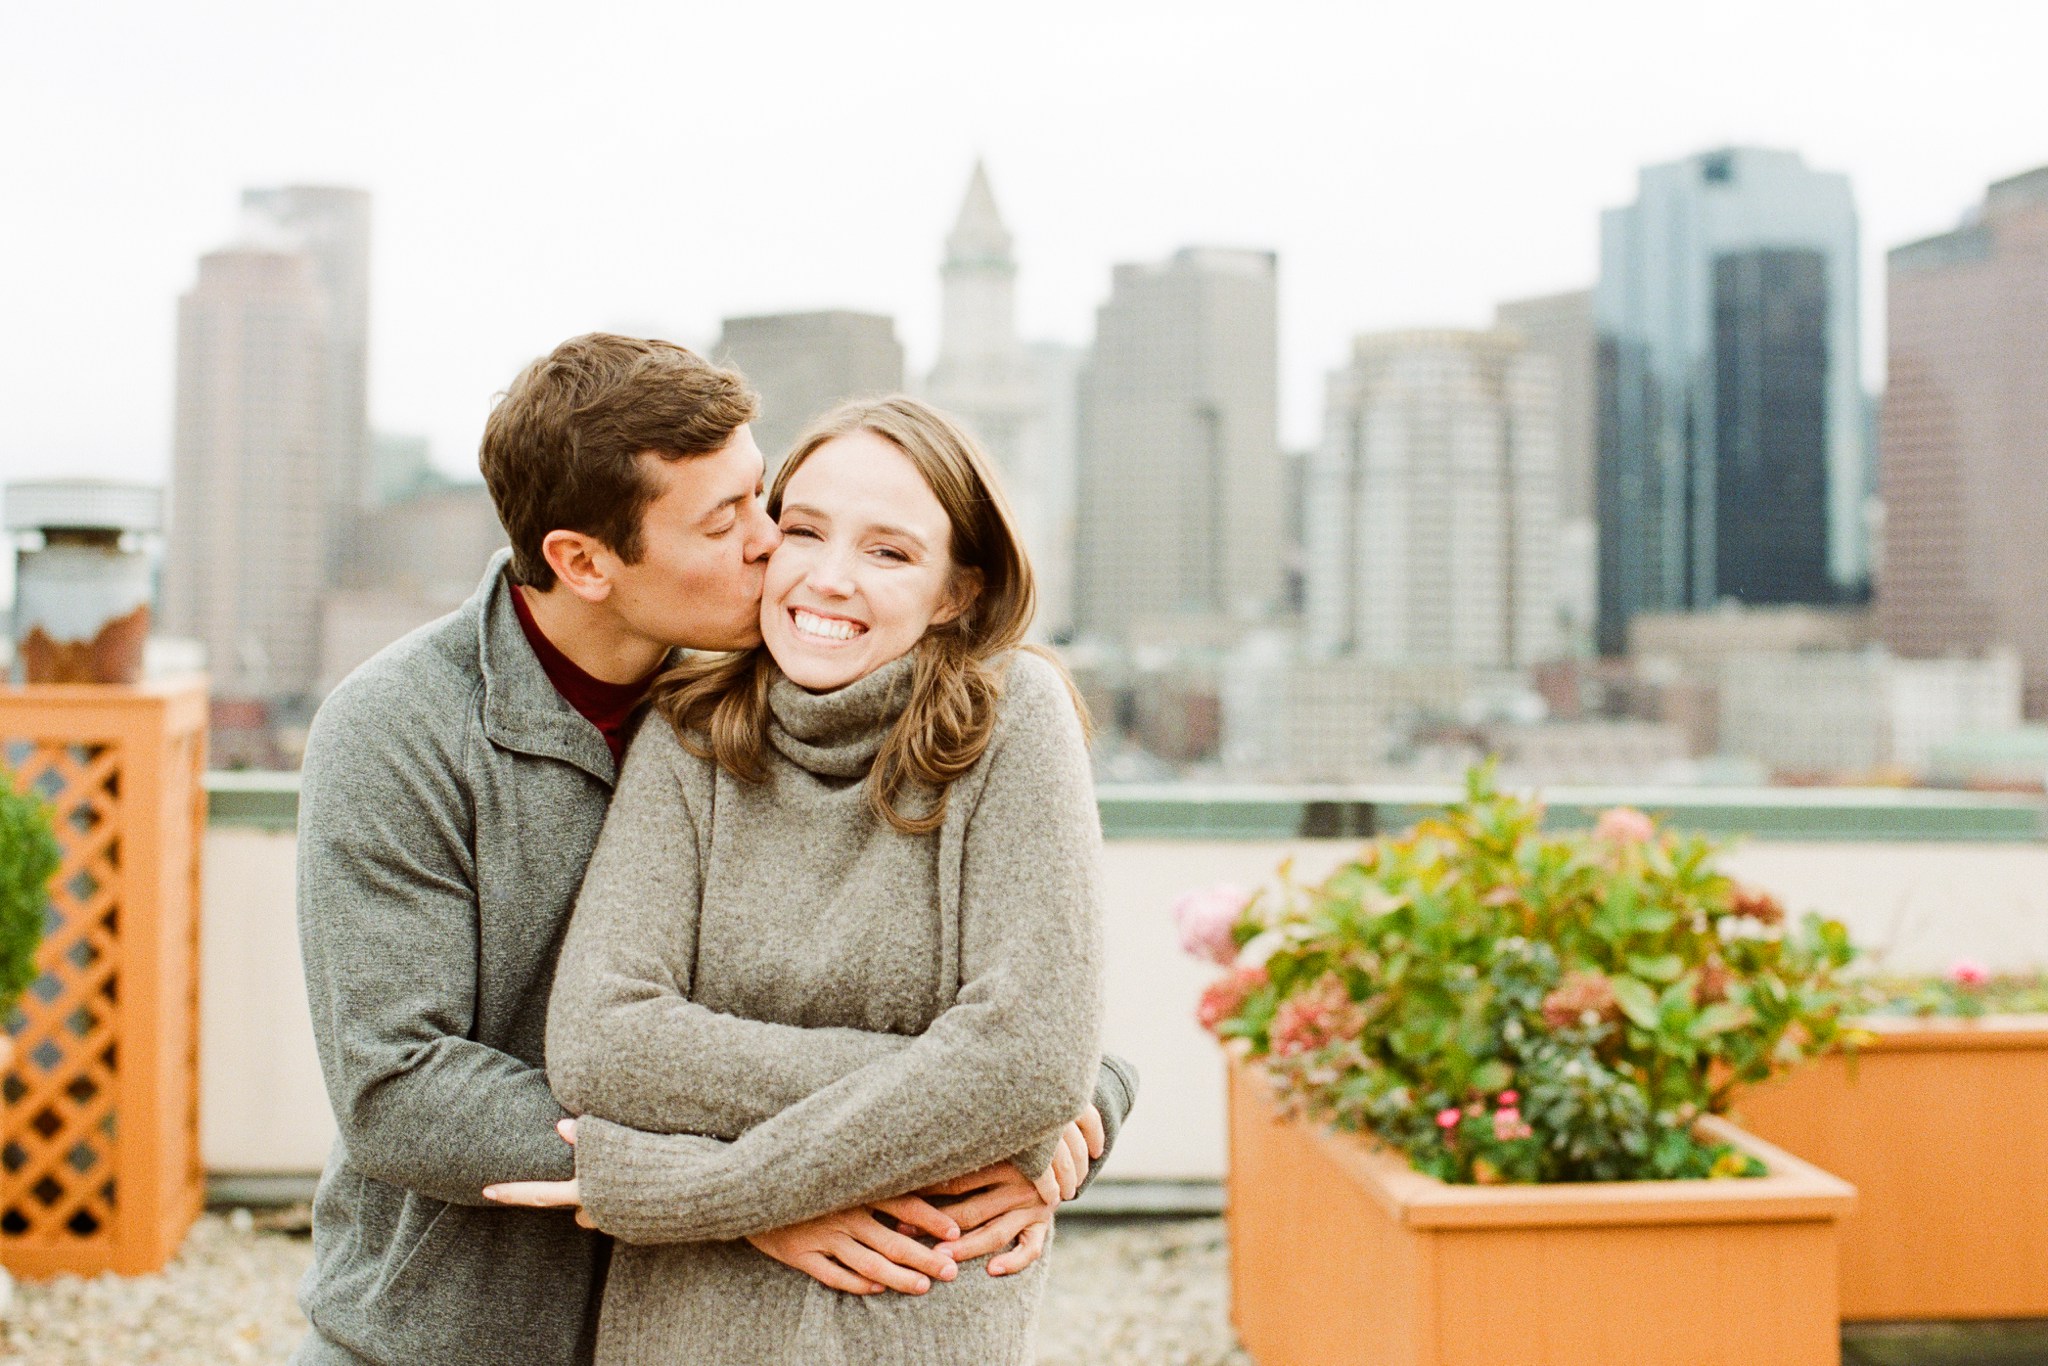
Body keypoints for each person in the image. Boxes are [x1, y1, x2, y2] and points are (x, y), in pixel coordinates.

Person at [292, 336, 1134, 1366]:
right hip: (456, 1331)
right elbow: (399, 1087)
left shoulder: (751, 677)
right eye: (727, 519)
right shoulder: (398, 729)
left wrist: (1063, 1092)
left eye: (760, 495)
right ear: (584, 562)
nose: (772, 542)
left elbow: (1012, 1013)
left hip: (704, 1317)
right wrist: (765, 1187)